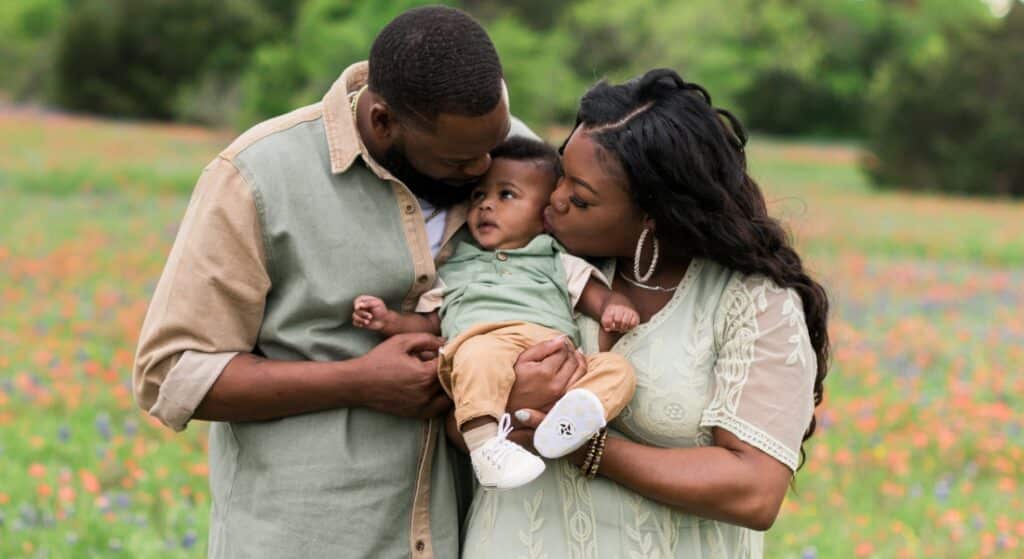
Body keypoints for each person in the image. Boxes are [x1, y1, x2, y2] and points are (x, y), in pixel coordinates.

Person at [132, 7, 584, 558]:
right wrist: (357, 381)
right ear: (383, 123)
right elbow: (171, 372)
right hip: (310, 539)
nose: (485, 169)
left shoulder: (513, 155)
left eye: (493, 146)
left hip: (470, 536)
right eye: (462, 160)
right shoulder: (258, 176)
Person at [461, 68, 831, 558]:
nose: (553, 201)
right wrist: (506, 404)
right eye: (560, 176)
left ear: (652, 218)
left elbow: (755, 490)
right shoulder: (526, 260)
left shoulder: (754, 302)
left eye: (580, 196)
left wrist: (586, 447)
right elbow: (451, 401)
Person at [351, 137, 638, 490]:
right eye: (478, 196)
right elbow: (429, 322)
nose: (486, 205)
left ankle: (567, 424)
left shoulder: (552, 258)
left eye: (506, 195)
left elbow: (597, 297)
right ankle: (486, 447)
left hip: (555, 355)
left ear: (545, 215)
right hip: (482, 345)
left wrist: (615, 308)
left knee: (617, 369)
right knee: (476, 355)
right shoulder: (456, 265)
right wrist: (389, 322)